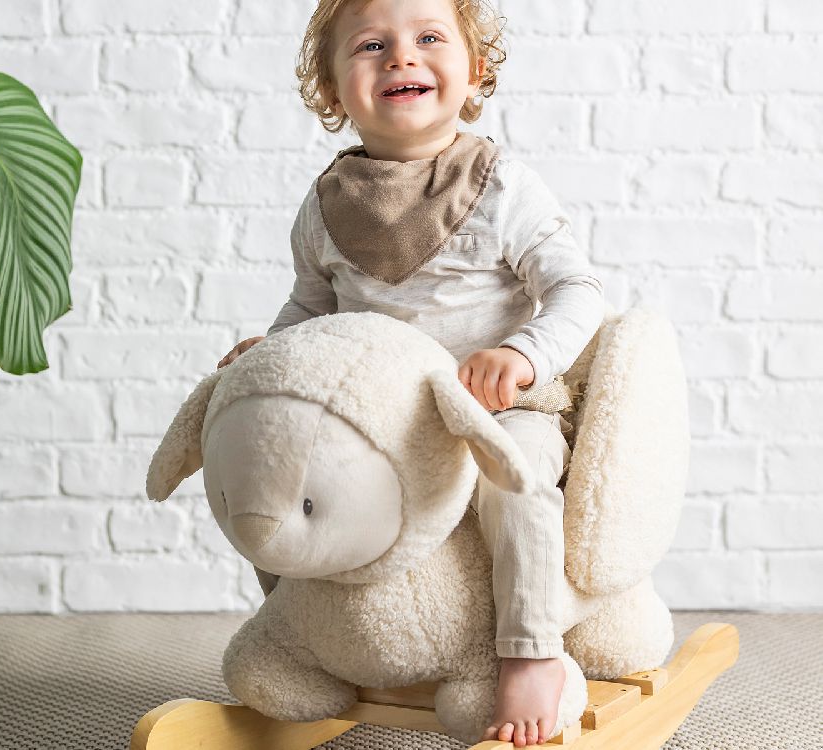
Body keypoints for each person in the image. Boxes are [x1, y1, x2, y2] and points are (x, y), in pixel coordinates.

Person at [217, 0, 604, 745]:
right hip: (383, 423)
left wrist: (523, 356)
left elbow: (577, 289)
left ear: (475, 71)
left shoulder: (502, 185)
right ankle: (304, 631)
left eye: (428, 38)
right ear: (332, 88)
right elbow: (312, 306)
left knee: (516, 477)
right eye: (371, 45)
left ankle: (530, 651)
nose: (401, 57)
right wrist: (274, 348)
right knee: (274, 462)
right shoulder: (327, 205)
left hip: (496, 409)